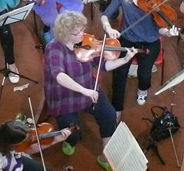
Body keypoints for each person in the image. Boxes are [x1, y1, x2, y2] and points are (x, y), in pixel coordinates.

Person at [44, 11, 137, 171]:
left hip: (89, 88)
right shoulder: (54, 48)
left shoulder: (86, 41)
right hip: (65, 97)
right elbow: (59, 76)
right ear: (64, 34)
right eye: (77, 32)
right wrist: (85, 91)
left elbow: (102, 66)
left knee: (109, 116)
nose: (82, 34)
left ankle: (105, 157)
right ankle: (71, 141)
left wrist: (124, 60)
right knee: (73, 133)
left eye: (82, 29)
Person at [100, 0, 178, 118]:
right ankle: (117, 107)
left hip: (150, 40)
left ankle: (143, 89)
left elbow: (159, 26)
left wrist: (168, 32)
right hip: (128, 38)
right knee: (120, 72)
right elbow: (105, 15)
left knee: (144, 73)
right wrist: (108, 28)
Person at [0, 120, 71, 171]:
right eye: (24, 141)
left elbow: (29, 149)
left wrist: (54, 140)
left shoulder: (4, 129)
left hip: (17, 161)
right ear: (12, 145)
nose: (30, 139)